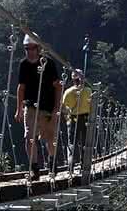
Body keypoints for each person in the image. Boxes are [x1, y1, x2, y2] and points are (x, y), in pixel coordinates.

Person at [15, 33, 62, 181]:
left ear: (39, 48)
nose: (29, 51)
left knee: (49, 138)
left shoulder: (49, 63)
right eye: (26, 48)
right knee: (29, 137)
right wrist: (19, 109)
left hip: (47, 108)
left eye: (32, 48)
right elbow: (21, 87)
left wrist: (56, 109)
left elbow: (58, 87)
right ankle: (35, 169)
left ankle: (52, 164)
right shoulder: (23, 64)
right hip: (30, 107)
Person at [62, 69, 92, 169]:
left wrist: (67, 118)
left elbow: (64, 107)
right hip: (86, 118)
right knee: (85, 141)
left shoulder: (68, 92)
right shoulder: (88, 91)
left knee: (72, 142)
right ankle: (85, 163)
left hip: (73, 118)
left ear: (73, 79)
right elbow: (91, 105)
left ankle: (71, 164)